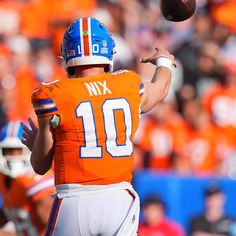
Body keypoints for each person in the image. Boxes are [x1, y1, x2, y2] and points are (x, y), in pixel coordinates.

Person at [20, 17, 176, 236]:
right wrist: (164, 62)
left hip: (75, 199)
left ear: (67, 53)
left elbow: (40, 165)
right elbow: (160, 89)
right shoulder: (128, 84)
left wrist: (38, 141)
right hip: (120, 199)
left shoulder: (53, 93)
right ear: (107, 50)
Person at [0, 120, 55, 236]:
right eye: (9, 151)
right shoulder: (3, 178)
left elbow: (53, 227)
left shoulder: (35, 179)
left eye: (18, 151)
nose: (14, 157)